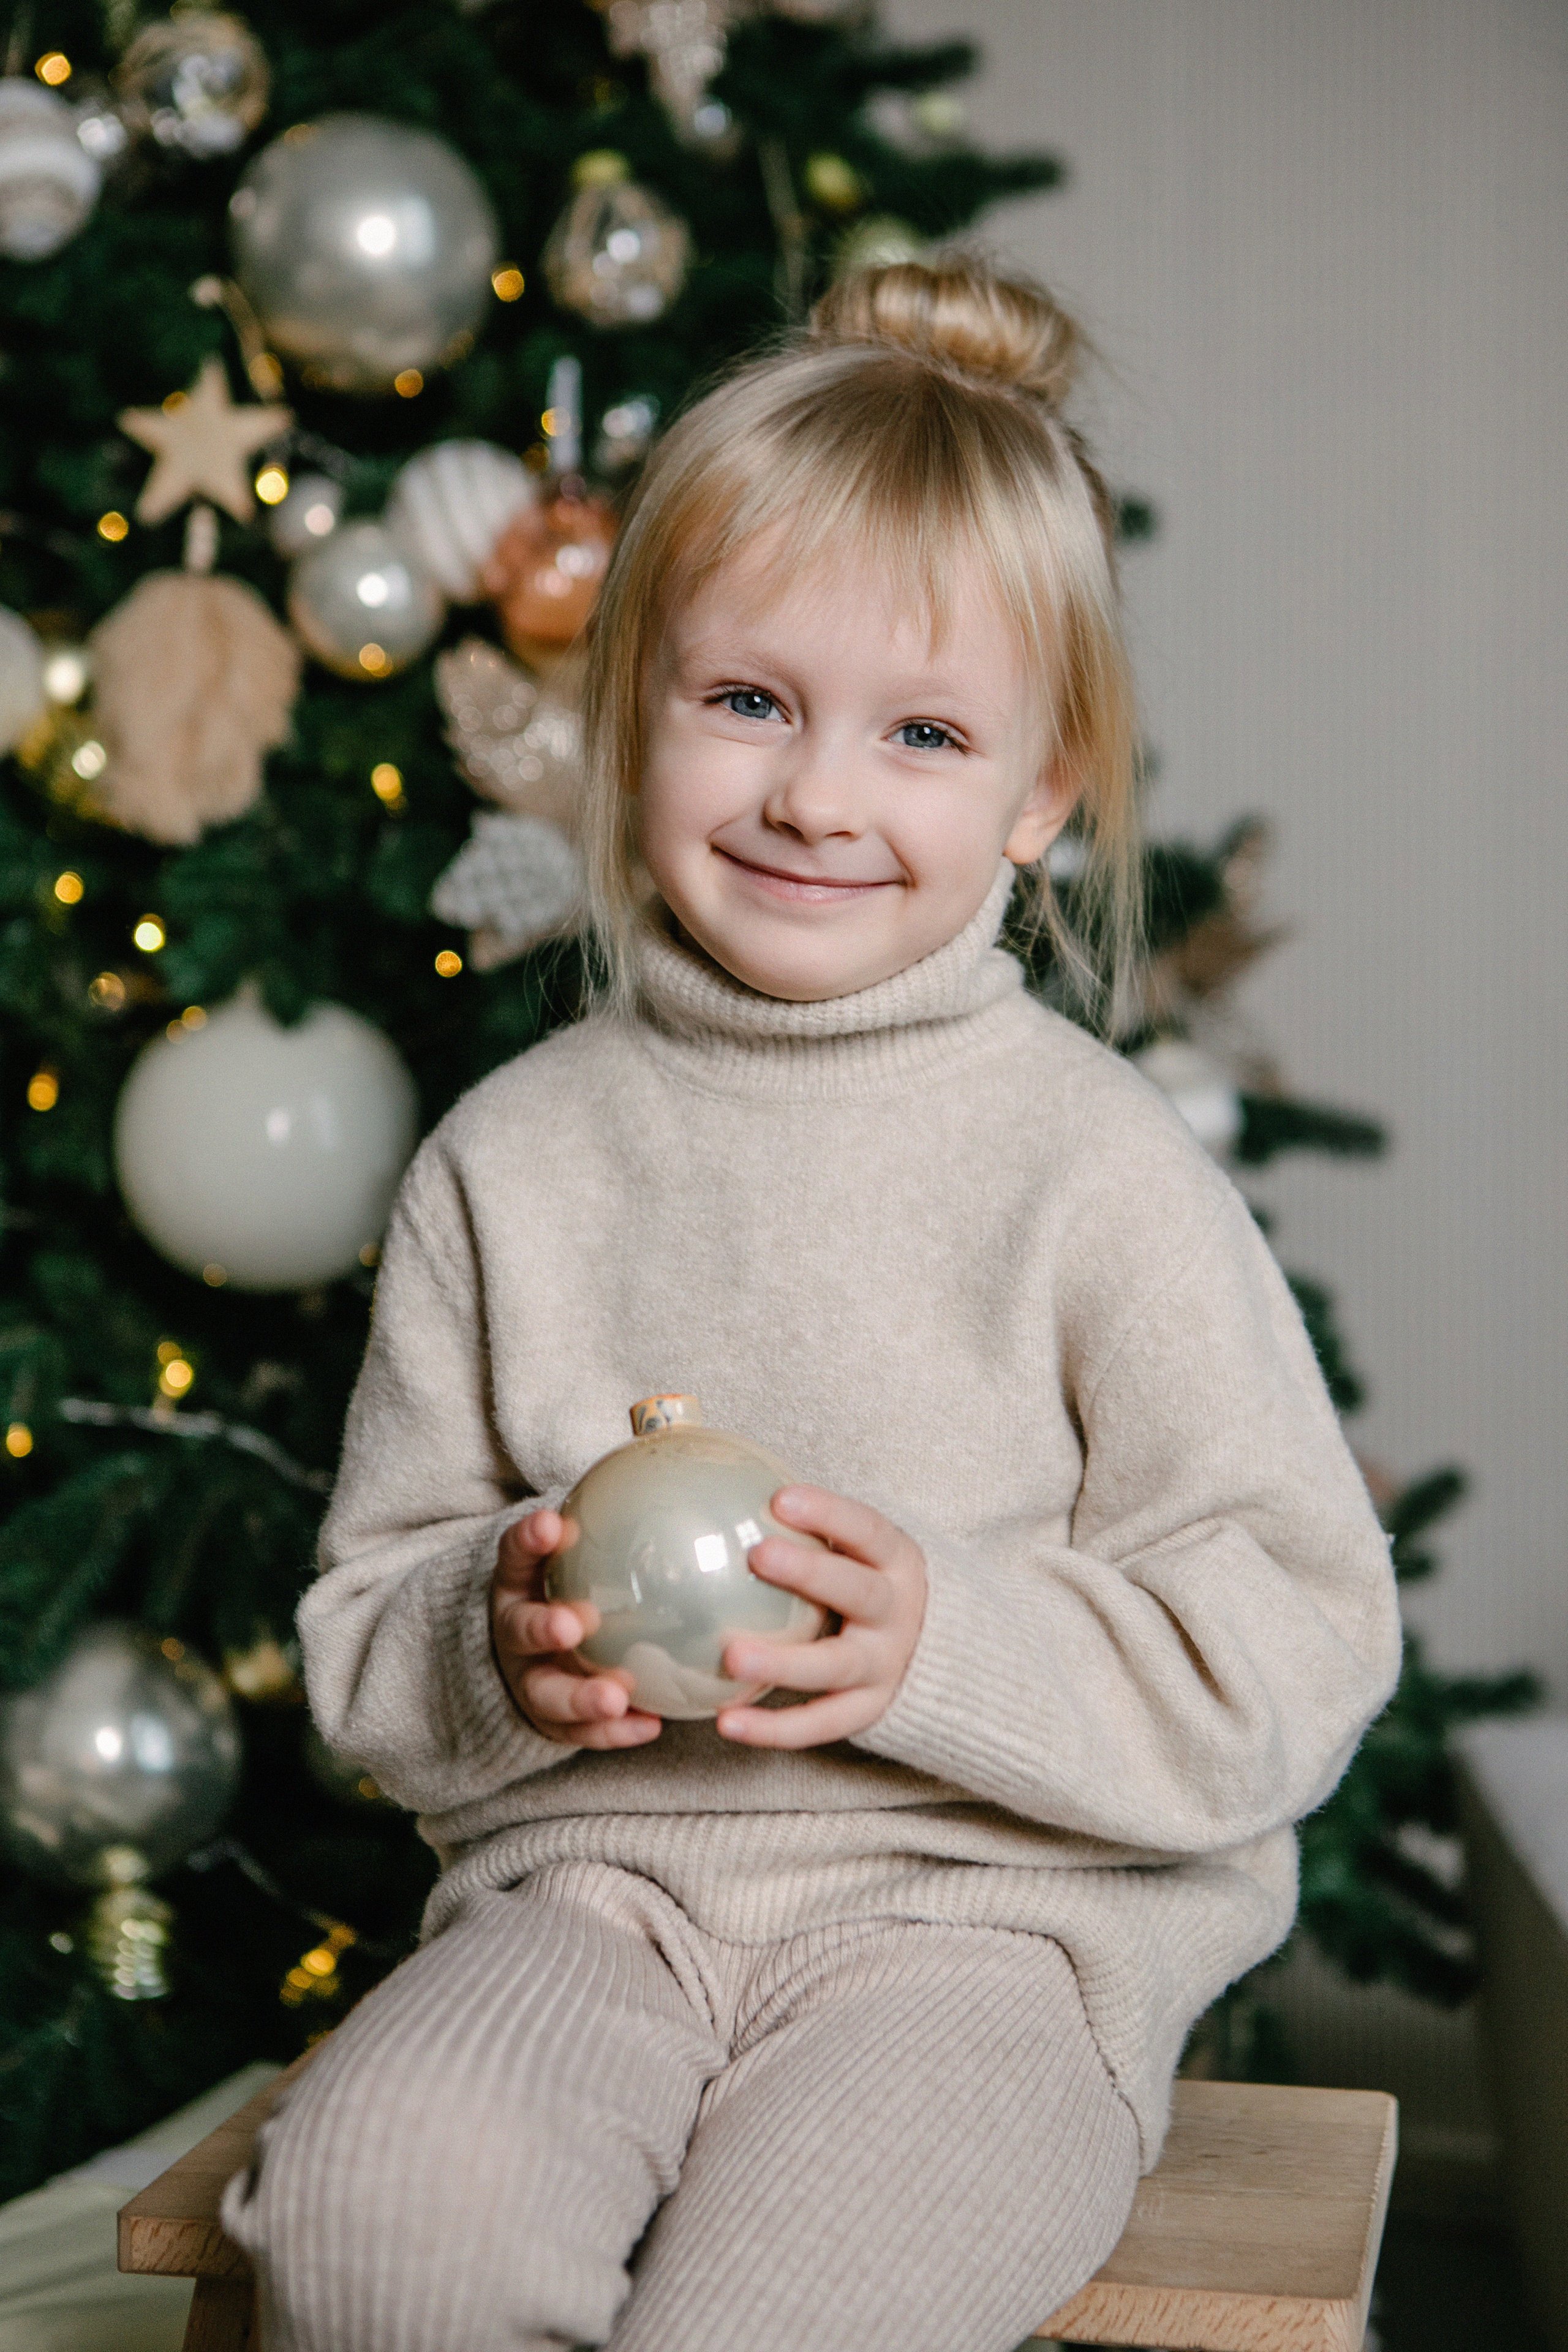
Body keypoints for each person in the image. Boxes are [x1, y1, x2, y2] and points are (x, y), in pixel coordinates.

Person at [223, 260, 1401, 2352]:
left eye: (925, 734)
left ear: (1037, 799)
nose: (814, 798)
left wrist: (947, 1643)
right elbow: (364, 1647)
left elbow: (1297, 1635)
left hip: (995, 1936)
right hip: (590, 1901)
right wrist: (496, 1631)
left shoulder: (1092, 1167)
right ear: (631, 705)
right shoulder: (514, 1158)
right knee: (380, 2225)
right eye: (747, 700)